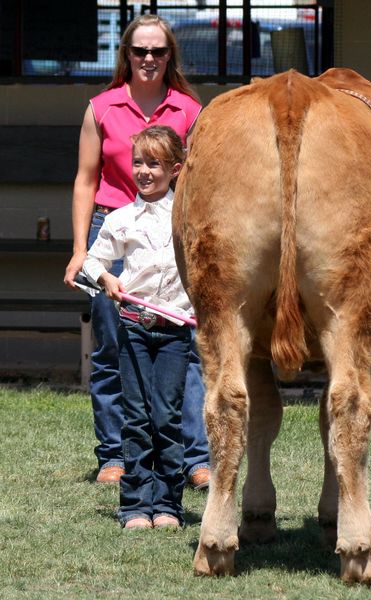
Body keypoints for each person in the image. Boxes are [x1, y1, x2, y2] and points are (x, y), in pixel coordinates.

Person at [63, 14, 210, 488]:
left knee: (184, 348)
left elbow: (204, 184)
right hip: (113, 231)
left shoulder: (189, 110)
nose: (149, 59)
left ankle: (194, 459)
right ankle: (115, 455)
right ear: (125, 54)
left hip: (172, 235)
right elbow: (86, 181)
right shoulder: (101, 107)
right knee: (111, 348)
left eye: (158, 51)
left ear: (171, 57)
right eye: (139, 51)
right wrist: (79, 249)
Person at [83, 125, 192, 529]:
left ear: (175, 169)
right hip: (133, 328)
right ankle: (134, 506)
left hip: (175, 332)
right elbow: (93, 262)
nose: (144, 171)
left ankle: (167, 505)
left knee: (166, 415)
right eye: (138, 163)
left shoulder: (188, 217)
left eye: (155, 164)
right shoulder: (121, 219)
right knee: (136, 416)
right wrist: (107, 280)